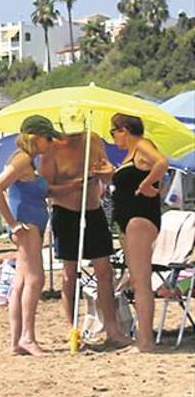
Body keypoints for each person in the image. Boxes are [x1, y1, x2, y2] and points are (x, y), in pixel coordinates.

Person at [36, 115, 130, 347]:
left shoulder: (93, 142)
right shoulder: (52, 149)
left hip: (93, 210)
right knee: (69, 274)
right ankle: (71, 328)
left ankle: (112, 328)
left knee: (104, 271)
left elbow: (108, 176)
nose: (74, 137)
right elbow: (45, 188)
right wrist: (72, 185)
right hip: (65, 213)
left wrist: (106, 173)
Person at [0, 117, 53, 356]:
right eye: (48, 138)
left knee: (20, 283)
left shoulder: (27, 160)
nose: (51, 143)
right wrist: (13, 223)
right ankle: (28, 337)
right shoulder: (23, 159)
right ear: (36, 137)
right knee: (35, 280)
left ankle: (17, 341)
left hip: (29, 223)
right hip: (27, 226)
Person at [110, 113, 168, 353]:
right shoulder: (131, 155)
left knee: (141, 281)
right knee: (136, 279)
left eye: (113, 132)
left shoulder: (143, 145)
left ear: (124, 129)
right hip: (130, 220)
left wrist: (146, 185)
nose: (113, 138)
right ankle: (143, 338)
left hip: (140, 219)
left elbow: (162, 163)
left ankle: (145, 341)